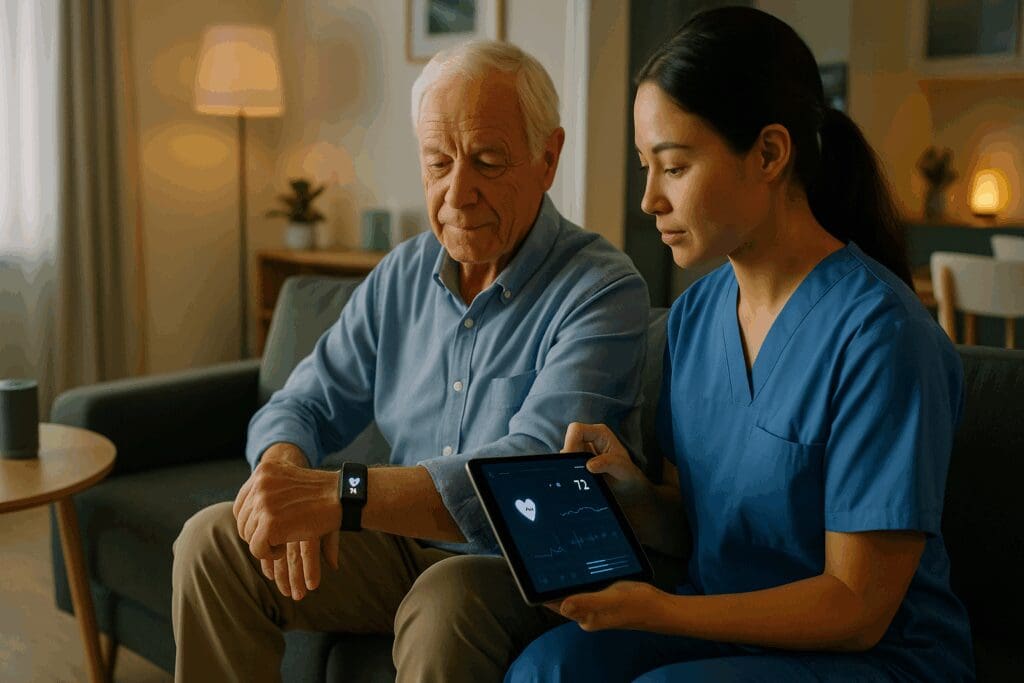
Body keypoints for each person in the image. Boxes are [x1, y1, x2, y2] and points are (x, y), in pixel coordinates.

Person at [506, 7, 975, 682]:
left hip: (874, 657)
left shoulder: (882, 337)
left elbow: (856, 605)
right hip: (729, 633)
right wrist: (633, 494)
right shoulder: (694, 319)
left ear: (770, 154)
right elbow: (708, 524)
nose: (648, 201)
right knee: (545, 669)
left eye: (673, 166)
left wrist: (658, 611)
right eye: (644, 166)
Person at [171, 40, 650, 683]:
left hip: (513, 564)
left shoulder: (602, 289)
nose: (458, 192)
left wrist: (340, 493)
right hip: (400, 546)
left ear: (548, 157)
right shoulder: (401, 273)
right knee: (212, 543)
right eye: (438, 162)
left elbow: (529, 478)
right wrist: (282, 473)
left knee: (444, 598)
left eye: (486, 160)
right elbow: (303, 401)